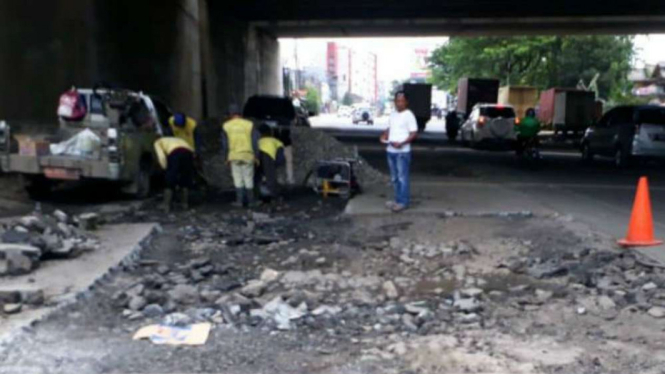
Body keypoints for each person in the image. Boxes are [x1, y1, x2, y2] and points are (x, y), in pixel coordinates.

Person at [380, 91, 418, 213]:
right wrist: (384, 136)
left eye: (402, 101)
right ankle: (397, 200)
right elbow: (389, 128)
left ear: (406, 102)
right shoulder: (392, 114)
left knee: (402, 178)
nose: (399, 103)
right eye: (397, 101)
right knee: (394, 178)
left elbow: (414, 133)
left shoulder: (409, 115)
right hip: (390, 150)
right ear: (394, 102)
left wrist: (402, 143)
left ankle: (403, 202)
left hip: (402, 152)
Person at [221, 104, 259, 208]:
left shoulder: (226, 126)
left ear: (230, 114)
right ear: (241, 114)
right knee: (248, 178)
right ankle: (251, 201)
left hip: (234, 156)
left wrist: (226, 157)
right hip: (248, 155)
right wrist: (256, 155)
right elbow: (255, 141)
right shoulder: (249, 124)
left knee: (237, 178)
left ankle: (239, 201)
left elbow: (225, 144)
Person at [153, 137, 195, 213]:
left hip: (175, 153)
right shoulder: (177, 139)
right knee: (185, 177)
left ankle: (166, 205)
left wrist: (164, 168)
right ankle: (184, 204)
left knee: (170, 179)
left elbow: (161, 156)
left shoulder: (157, 142)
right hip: (188, 152)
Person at [256, 124, 285, 199]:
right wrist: (276, 164)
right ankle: (273, 195)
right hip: (269, 157)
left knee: (257, 177)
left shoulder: (257, 141)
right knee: (270, 177)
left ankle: (256, 194)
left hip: (257, 156)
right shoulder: (276, 141)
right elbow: (280, 156)